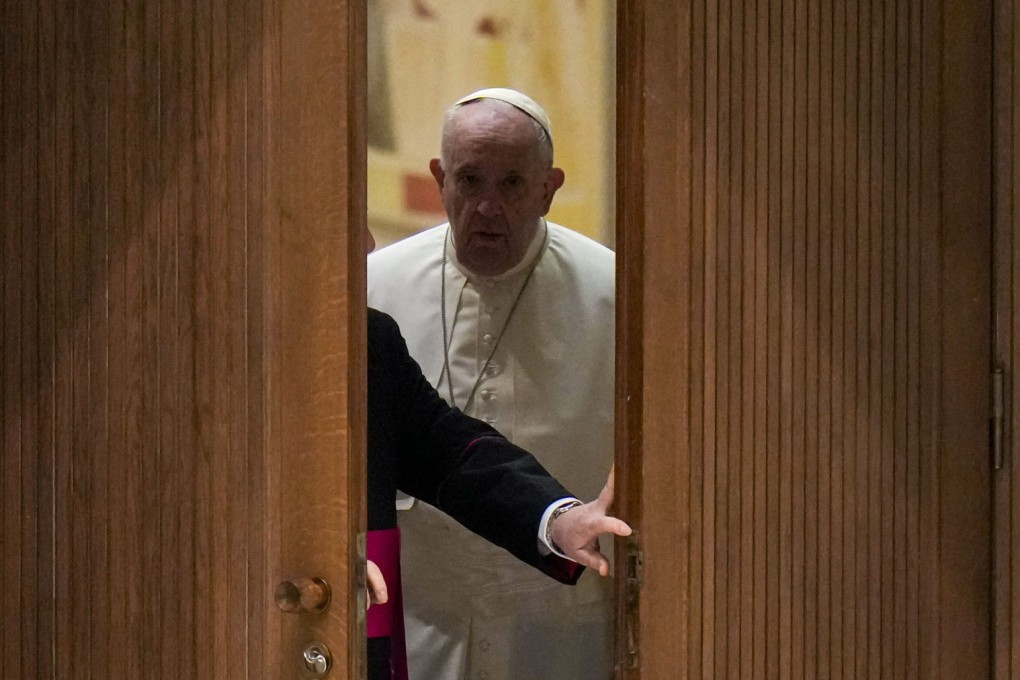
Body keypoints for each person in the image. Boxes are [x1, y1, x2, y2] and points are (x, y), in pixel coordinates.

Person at [367, 88, 616, 679]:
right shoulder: (372, 290)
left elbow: (451, 452)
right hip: (416, 619)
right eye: (470, 180)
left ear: (549, 188)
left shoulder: (617, 292)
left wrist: (559, 519)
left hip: (558, 616)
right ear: (440, 178)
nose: (487, 207)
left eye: (511, 184)